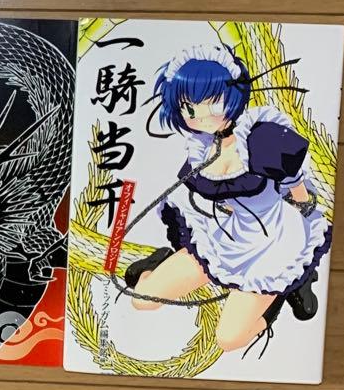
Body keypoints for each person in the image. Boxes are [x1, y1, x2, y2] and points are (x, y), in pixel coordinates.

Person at [124, 46, 330, 354]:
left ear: (233, 96)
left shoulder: (259, 137)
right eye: (189, 108)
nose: (201, 116)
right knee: (142, 301)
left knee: (229, 339)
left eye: (213, 102)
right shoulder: (202, 148)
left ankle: (283, 292)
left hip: (275, 244)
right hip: (230, 237)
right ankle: (159, 261)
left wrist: (302, 206)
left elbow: (294, 181)